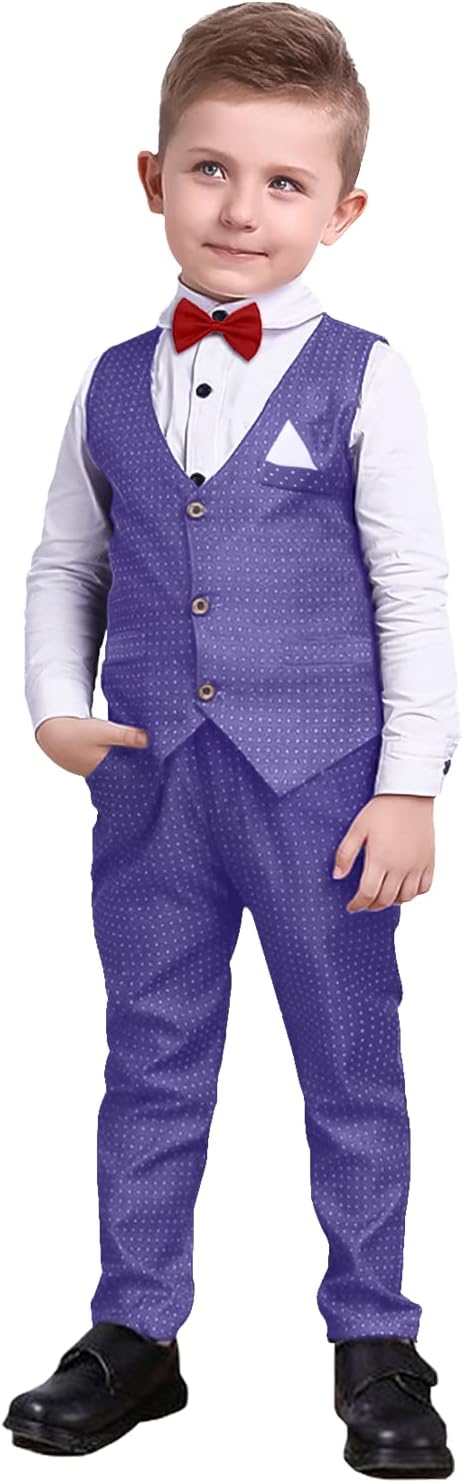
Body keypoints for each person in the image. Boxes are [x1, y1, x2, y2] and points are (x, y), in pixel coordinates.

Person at [4, 3, 459, 1473]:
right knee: (150, 1056)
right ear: (154, 179)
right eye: (210, 170)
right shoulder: (107, 378)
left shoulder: (366, 374)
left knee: (350, 1063)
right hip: (152, 789)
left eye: (283, 182)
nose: (241, 209)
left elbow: (416, 588)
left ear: (344, 209)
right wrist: (57, 706)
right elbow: (66, 561)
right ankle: (135, 1333)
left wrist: (411, 786)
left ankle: (376, 1340)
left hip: (324, 790)